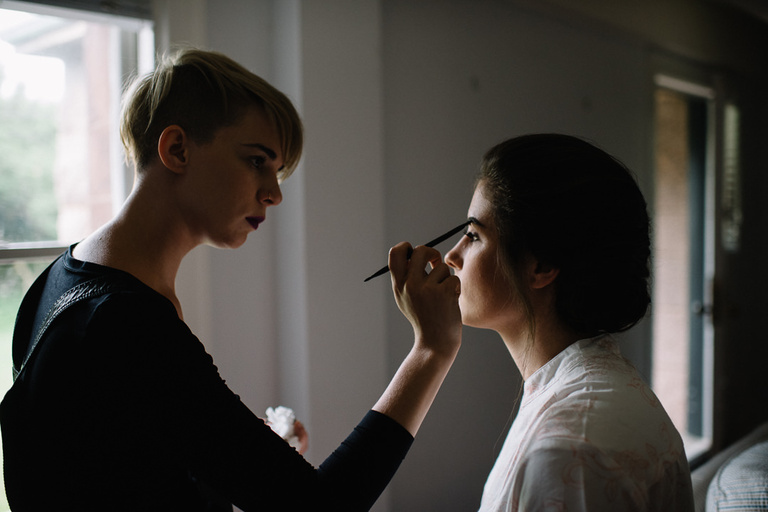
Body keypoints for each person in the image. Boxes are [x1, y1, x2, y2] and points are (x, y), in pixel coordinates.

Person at [0, 48, 461, 511]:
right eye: (257, 161)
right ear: (177, 149)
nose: (275, 193)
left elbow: (117, 470)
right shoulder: (129, 323)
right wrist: (431, 350)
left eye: (277, 170)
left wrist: (240, 457)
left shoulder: (58, 279)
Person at [439, 134, 695, 511]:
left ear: (541, 265)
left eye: (473, 235)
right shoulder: (590, 392)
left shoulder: (569, 451)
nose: (451, 256)